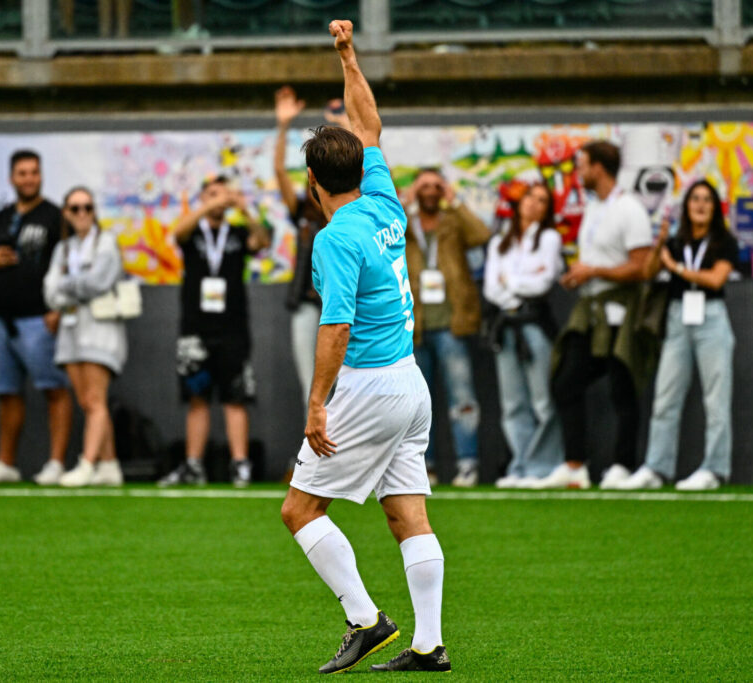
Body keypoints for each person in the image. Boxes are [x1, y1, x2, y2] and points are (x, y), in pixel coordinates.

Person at [280, 20, 450, 674]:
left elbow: (336, 328)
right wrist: (349, 58)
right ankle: (430, 644)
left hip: (369, 384)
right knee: (408, 514)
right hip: (410, 384)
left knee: (300, 508)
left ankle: (365, 618)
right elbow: (369, 120)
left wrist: (317, 404)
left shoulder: (334, 238)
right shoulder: (383, 199)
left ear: (314, 182)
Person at [538, 140, 657, 490]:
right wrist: (582, 274)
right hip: (590, 310)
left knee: (623, 385)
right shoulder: (594, 208)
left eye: (583, 165)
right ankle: (575, 464)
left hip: (621, 310)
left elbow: (642, 267)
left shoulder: (630, 208)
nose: (578, 172)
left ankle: (623, 465)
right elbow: (601, 260)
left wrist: (593, 272)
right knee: (565, 380)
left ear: (599, 168)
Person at [617, 180, 738, 491]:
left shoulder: (724, 241)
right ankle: (656, 467)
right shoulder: (675, 241)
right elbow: (648, 272)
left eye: (707, 200)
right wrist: (659, 246)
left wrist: (679, 269)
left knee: (716, 398)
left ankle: (714, 468)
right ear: (686, 206)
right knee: (665, 396)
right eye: (694, 199)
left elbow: (715, 279)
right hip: (678, 316)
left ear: (715, 208)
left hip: (711, 318)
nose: (700, 205)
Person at [0, 150, 73, 485]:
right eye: (22, 173)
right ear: (11, 178)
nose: (28, 178)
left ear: (41, 176)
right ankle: (7, 462)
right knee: (7, 393)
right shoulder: (0, 217)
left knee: (54, 389)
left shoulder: (54, 216)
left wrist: (58, 308)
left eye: (33, 173)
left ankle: (56, 463)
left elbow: (69, 264)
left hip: (38, 320)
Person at [159, 176, 270, 488]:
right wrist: (206, 206)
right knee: (197, 398)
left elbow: (261, 241)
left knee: (236, 398)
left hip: (233, 328)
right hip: (195, 329)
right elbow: (177, 234)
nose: (218, 201)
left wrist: (245, 211)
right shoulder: (193, 233)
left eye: (222, 195)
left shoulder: (236, 233)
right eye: (211, 195)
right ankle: (194, 465)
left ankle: (240, 465)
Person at [402, 167, 490, 487]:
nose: (429, 190)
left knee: (462, 397)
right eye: (422, 185)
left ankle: (467, 464)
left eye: (435, 185)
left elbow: (481, 235)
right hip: (415, 324)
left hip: (453, 323)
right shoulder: (405, 224)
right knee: (417, 403)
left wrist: (455, 202)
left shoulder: (453, 221)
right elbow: (380, 231)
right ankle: (426, 467)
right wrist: (404, 201)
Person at [43, 187, 127, 487]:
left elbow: (99, 282)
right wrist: (73, 288)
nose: (82, 214)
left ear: (94, 211)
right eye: (75, 208)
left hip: (101, 331)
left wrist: (66, 286)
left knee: (94, 399)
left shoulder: (106, 242)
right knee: (86, 401)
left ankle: (87, 464)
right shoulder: (62, 249)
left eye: (87, 207)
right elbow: (49, 292)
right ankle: (110, 464)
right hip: (70, 331)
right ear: (65, 212)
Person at [482, 183, 565, 488]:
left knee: (542, 400)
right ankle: (521, 465)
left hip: (534, 323)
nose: (534, 204)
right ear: (520, 202)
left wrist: (511, 281)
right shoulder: (500, 242)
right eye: (531, 196)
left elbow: (543, 283)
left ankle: (544, 467)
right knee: (513, 402)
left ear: (547, 210)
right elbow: (492, 289)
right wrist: (518, 283)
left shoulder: (549, 238)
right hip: (506, 325)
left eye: (542, 200)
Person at [274, 85, 328, 412]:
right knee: (309, 383)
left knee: (346, 380)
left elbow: (380, 181)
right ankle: (314, 455)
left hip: (341, 302)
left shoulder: (347, 211)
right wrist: (283, 126)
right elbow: (279, 172)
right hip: (307, 302)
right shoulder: (303, 212)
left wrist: (352, 128)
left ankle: (345, 457)